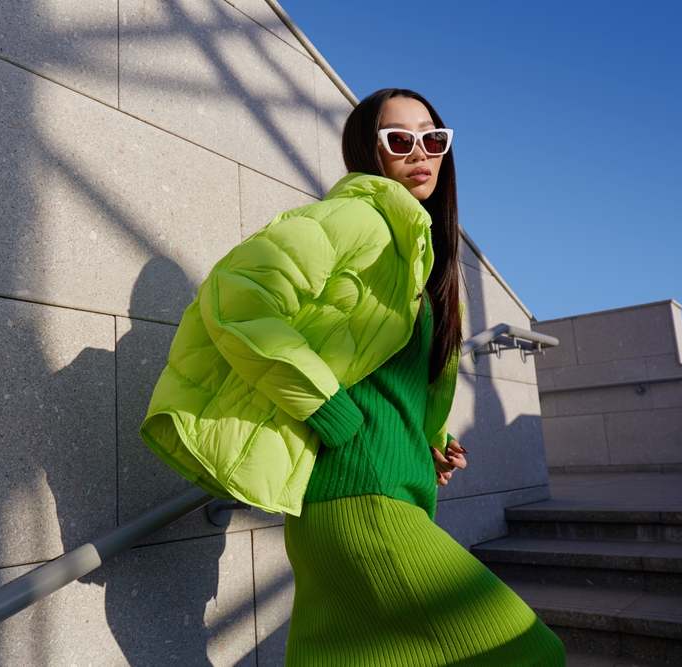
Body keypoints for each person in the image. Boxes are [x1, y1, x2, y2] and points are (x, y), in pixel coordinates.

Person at [140, 88, 565, 666]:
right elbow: (236, 298)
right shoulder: (357, 218)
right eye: (399, 139)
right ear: (369, 151)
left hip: (375, 496)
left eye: (433, 139)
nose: (420, 151)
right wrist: (332, 413)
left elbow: (384, 374)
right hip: (359, 497)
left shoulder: (420, 255)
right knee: (527, 654)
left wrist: (428, 441)